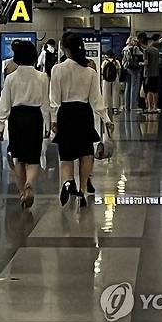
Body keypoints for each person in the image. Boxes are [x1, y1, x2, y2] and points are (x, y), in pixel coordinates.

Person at [50, 33, 114, 207]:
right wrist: (106, 119)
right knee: (85, 153)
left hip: (65, 113)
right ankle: (83, 189)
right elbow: (97, 100)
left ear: (64, 48)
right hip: (83, 114)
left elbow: (54, 99)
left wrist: (54, 121)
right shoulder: (90, 72)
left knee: (67, 155)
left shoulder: (57, 69)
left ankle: (68, 182)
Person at [0, 41, 50, 209]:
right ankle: (30, 183)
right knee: (33, 158)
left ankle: (22, 192)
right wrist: (49, 125)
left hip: (17, 118)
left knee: (19, 159)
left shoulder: (11, 78)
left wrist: (0, 127)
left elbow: (4, 104)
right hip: (35, 117)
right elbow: (46, 104)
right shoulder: (42, 77)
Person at [122, 37, 144, 111]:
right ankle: (133, 106)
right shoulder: (135, 48)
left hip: (127, 68)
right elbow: (142, 55)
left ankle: (127, 106)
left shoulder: (125, 49)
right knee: (135, 87)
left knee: (128, 87)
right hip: (134, 69)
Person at [141, 35, 160, 113]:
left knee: (149, 91)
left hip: (148, 73)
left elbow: (146, 62)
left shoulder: (146, 50)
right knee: (155, 91)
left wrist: (140, 63)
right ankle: (155, 107)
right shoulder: (156, 50)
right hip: (156, 72)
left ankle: (150, 107)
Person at [101, 51, 121, 116]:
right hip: (115, 77)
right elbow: (119, 70)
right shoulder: (116, 62)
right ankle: (115, 109)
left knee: (106, 93)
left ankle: (107, 107)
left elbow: (102, 70)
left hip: (106, 79)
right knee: (115, 93)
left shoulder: (105, 62)